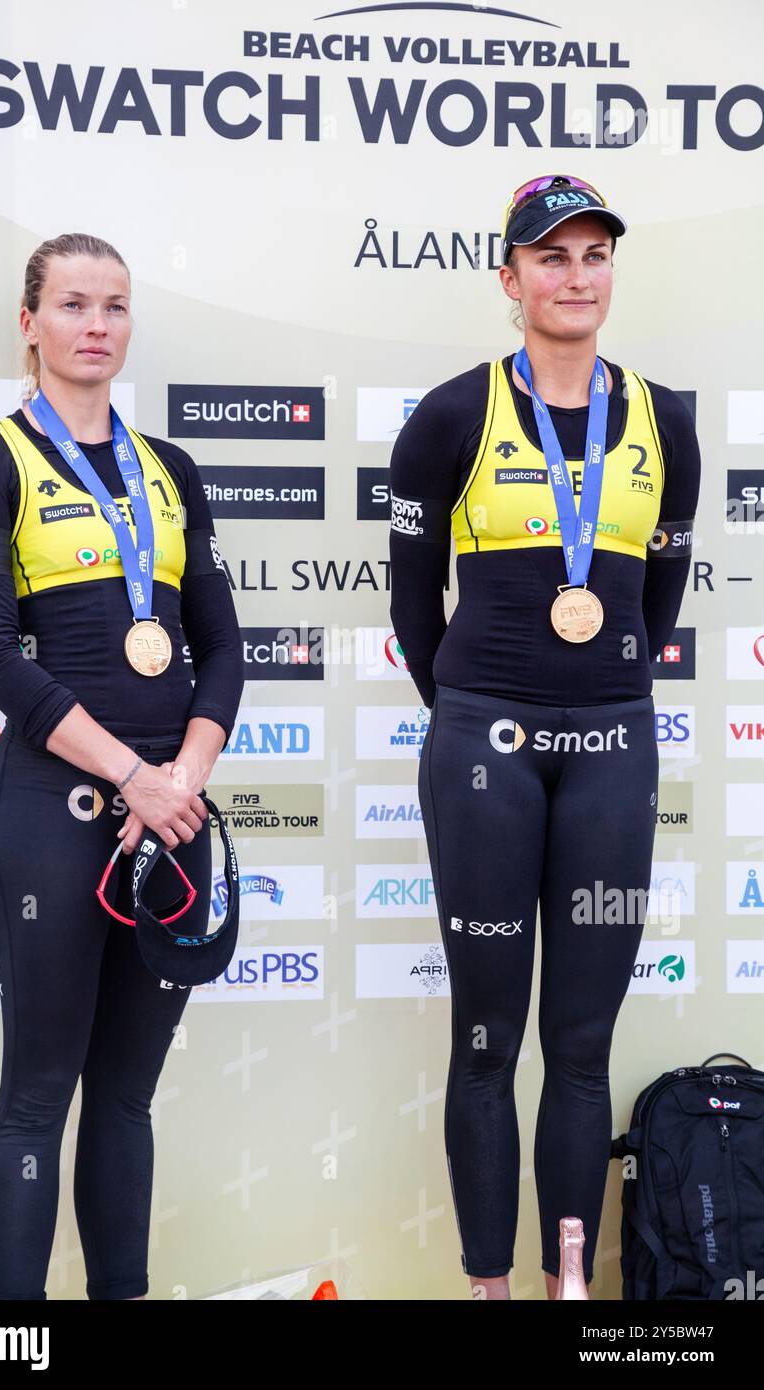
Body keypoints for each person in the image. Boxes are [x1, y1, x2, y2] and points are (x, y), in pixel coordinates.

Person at [388, 176, 700, 1299]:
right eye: (550, 258)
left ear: (609, 272)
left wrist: (601, 686)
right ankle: (489, 1287)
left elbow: (652, 606)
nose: (575, 277)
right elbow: (409, 601)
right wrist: (474, 706)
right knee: (485, 1040)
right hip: (485, 742)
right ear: (509, 279)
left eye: (592, 255)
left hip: (612, 746)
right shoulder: (450, 413)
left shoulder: (664, 418)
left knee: (577, 1046)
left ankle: (570, 1295)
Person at [0, 231, 244, 1301]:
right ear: (29, 323)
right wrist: (135, 778)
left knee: (124, 1097)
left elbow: (223, 651)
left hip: (165, 820)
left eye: (113, 306)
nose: (96, 326)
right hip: (52, 812)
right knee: (39, 1091)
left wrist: (181, 786)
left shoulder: (170, 470)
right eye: (72, 305)